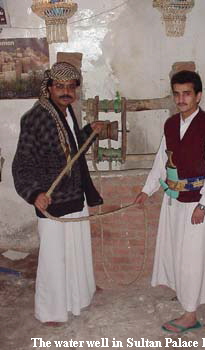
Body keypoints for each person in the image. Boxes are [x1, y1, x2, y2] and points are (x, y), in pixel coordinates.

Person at [12, 62, 104, 326]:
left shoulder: (65, 112)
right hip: (51, 202)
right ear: (50, 87)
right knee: (54, 260)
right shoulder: (35, 118)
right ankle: (51, 311)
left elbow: (71, 153)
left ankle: (78, 298)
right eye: (60, 87)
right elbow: (22, 164)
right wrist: (35, 194)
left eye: (70, 87)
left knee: (76, 253)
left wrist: (89, 132)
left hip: (75, 197)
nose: (66, 92)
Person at [135, 70, 205, 333]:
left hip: (196, 204)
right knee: (176, 251)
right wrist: (147, 190)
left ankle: (190, 315)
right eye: (177, 94)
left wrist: (203, 204)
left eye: (187, 93)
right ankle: (186, 294)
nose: (181, 99)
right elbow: (161, 161)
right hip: (173, 201)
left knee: (192, 258)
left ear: (199, 96)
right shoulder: (171, 124)